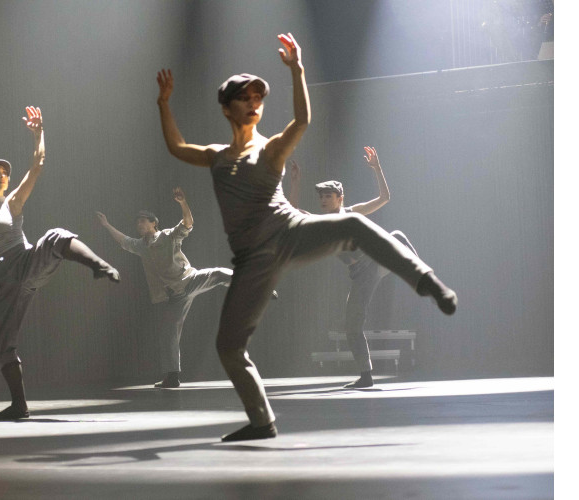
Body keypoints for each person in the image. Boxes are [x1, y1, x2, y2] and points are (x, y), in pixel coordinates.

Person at [156, 33, 457, 441]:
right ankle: (262, 423)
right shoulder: (215, 156)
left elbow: (301, 122)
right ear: (227, 108)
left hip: (290, 232)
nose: (253, 103)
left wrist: (297, 71)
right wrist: (163, 102)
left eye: (257, 98)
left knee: (352, 224)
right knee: (229, 347)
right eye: (244, 98)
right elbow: (176, 147)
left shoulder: (271, 149)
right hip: (251, 259)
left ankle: (426, 281)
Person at [0, 106, 120, 421]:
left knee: (55, 235)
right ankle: (19, 406)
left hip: (26, 262)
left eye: (5, 172)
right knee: (0, 345)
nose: (3, 175)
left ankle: (99, 266)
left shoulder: (13, 202)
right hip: (8, 282)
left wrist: (39, 134)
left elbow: (37, 165)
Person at [288, 149, 421, 389]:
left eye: (328, 196)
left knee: (397, 236)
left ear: (340, 198)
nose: (323, 200)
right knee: (352, 324)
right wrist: (295, 182)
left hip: (377, 259)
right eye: (321, 197)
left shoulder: (352, 212)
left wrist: (377, 169)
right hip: (361, 276)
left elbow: (384, 198)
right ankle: (366, 376)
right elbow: (292, 214)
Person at [95, 187, 233, 389]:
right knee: (168, 335)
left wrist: (183, 203)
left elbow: (187, 224)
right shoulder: (140, 245)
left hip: (187, 281)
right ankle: (172, 377)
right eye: (138, 221)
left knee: (219, 273)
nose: (139, 224)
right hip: (171, 297)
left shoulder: (168, 236)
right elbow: (123, 241)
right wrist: (107, 225)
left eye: (143, 221)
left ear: (154, 224)